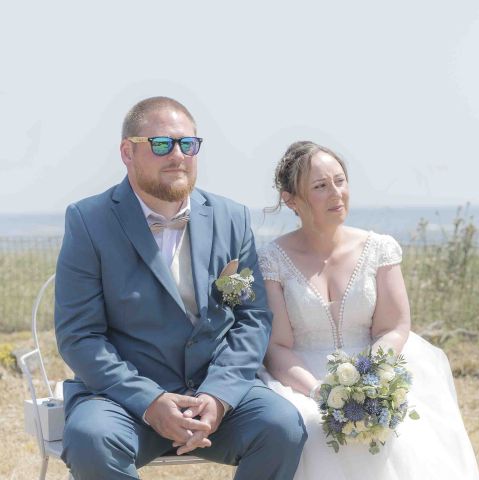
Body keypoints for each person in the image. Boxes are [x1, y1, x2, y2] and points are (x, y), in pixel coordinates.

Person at [54, 97, 306, 480]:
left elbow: (251, 319)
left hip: (214, 398)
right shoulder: (89, 221)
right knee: (91, 438)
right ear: (127, 151)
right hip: (124, 404)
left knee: (282, 426)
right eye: (161, 144)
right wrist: (149, 400)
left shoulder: (232, 218)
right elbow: (79, 336)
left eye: (188, 144)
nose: (177, 155)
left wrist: (218, 397)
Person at [257, 141, 479, 479]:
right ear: (291, 200)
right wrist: (321, 392)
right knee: (308, 424)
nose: (336, 193)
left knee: (404, 431)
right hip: (301, 376)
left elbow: (394, 327)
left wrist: (368, 379)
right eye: (320, 186)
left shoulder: (379, 248)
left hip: (375, 366)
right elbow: (278, 347)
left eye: (340, 180)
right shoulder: (272, 259)